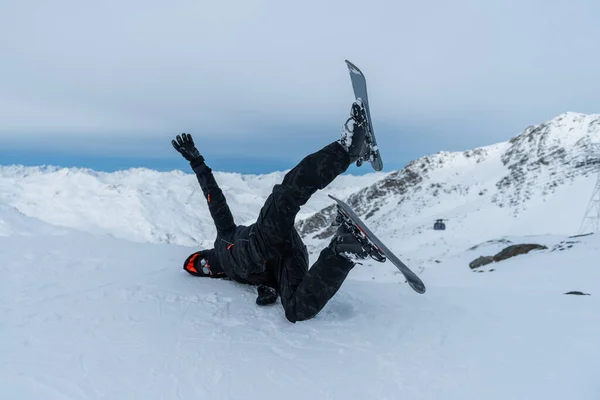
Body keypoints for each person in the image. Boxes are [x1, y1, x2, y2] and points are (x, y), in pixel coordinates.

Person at [172, 101, 373, 323]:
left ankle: (348, 149)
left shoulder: (223, 237)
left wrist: (197, 163)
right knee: (295, 311)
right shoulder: (237, 276)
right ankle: (345, 249)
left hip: (265, 237)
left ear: (204, 253)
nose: (205, 266)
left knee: (285, 195)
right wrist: (267, 291)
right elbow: (267, 281)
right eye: (201, 270)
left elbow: (215, 200)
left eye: (200, 262)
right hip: (287, 260)